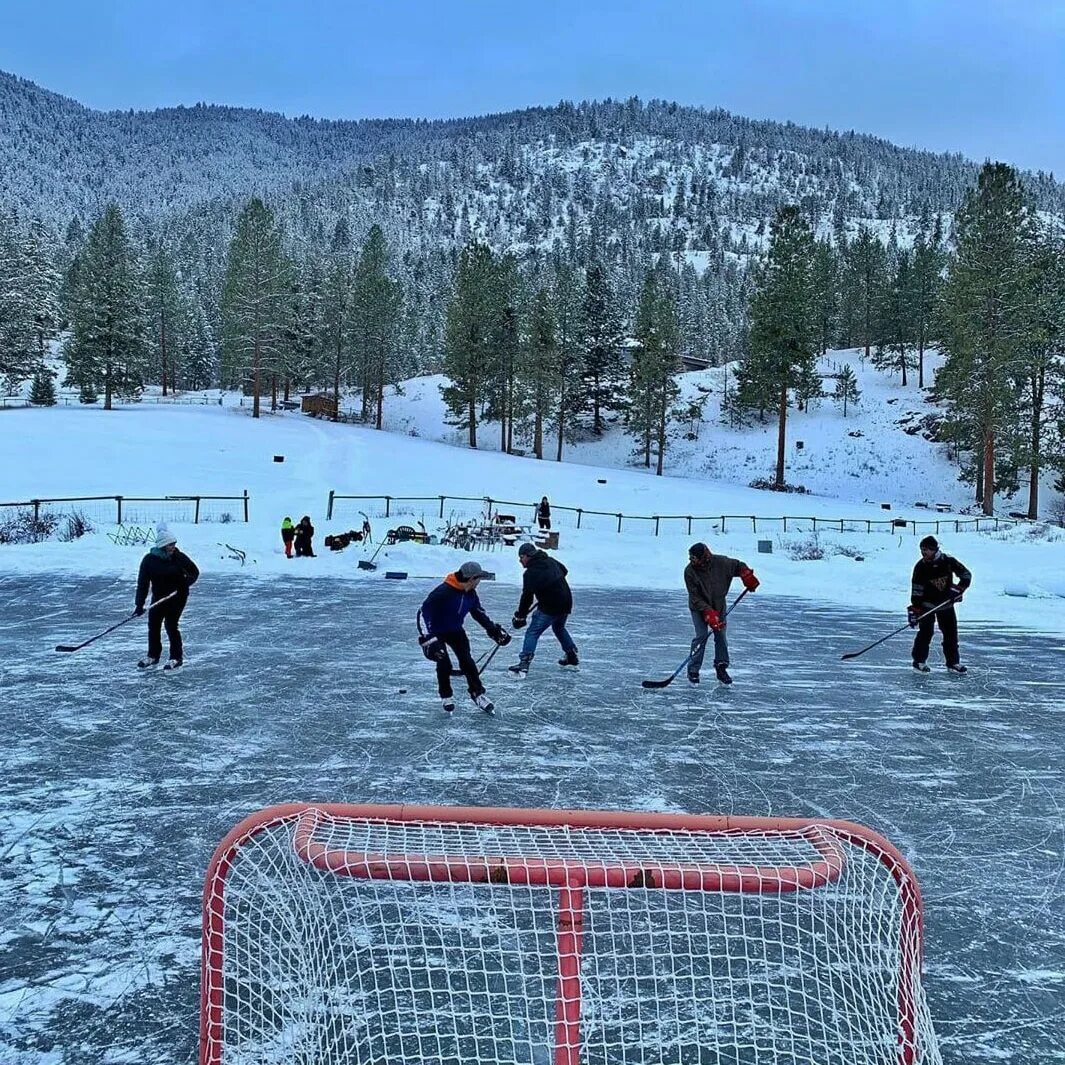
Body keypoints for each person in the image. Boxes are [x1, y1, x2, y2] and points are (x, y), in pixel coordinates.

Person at [418, 560, 511, 713]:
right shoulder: (443, 592)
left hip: (455, 630)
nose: (479, 582)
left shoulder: (471, 594)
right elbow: (423, 612)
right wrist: (428, 638)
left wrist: (494, 631)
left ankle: (477, 694)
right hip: (435, 631)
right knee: (443, 662)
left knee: (467, 660)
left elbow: (478, 613)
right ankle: (446, 695)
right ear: (471, 579)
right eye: (479, 578)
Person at [683, 542, 759, 685]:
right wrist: (707, 612)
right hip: (698, 607)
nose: (691, 561)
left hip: (718, 605)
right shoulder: (689, 572)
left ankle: (721, 667)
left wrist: (746, 575)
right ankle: (693, 669)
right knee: (701, 636)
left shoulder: (721, 563)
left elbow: (738, 565)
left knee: (720, 635)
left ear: (703, 557)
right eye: (690, 557)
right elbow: (694, 597)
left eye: (694, 558)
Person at [134, 526, 199, 670]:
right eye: (170, 544)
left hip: (177, 596)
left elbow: (194, 572)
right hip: (159, 597)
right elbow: (143, 583)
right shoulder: (149, 560)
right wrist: (139, 604)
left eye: (174, 544)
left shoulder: (179, 557)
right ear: (162, 545)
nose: (173, 547)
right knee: (153, 625)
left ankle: (176, 657)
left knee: (171, 625)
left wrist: (184, 584)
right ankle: (153, 656)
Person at [508, 542, 577, 674]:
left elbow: (527, 597)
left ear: (528, 556)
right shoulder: (550, 561)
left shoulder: (530, 573)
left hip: (551, 605)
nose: (520, 561)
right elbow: (564, 570)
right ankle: (571, 655)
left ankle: (524, 662)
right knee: (559, 627)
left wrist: (520, 616)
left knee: (532, 632)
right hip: (566, 601)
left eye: (521, 557)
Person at [908, 535, 971, 673]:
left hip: (946, 604)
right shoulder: (920, 567)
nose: (923, 553)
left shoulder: (948, 561)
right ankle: (918, 661)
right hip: (927, 606)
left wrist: (959, 589)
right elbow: (917, 590)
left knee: (951, 634)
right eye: (922, 550)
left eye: (926, 550)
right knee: (926, 632)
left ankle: (953, 663)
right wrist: (915, 609)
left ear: (934, 550)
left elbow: (966, 575)